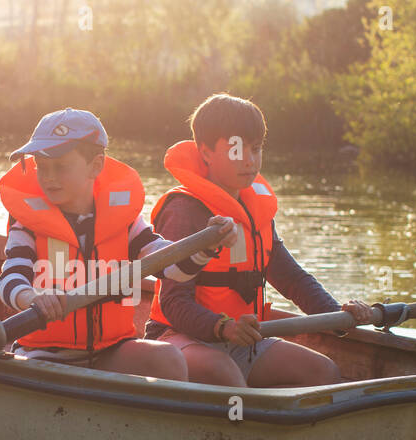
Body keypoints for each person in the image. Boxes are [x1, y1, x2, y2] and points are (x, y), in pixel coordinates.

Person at [145, 93, 374, 387]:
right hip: (178, 337)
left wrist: (339, 316)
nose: (250, 161)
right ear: (205, 152)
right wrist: (222, 327)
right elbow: (174, 302)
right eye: (237, 150)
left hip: (241, 338)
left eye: (255, 149)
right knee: (226, 376)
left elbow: (292, 279)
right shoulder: (184, 210)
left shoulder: (255, 213)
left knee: (324, 373)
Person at [0, 108, 236, 380]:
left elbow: (173, 270)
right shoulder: (27, 223)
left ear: (96, 165)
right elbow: (9, 279)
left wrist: (207, 246)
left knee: (169, 359)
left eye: (60, 166)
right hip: (44, 353)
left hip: (111, 351)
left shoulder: (125, 221)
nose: (49, 177)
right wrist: (32, 298)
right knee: (42, 377)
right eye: (42, 166)